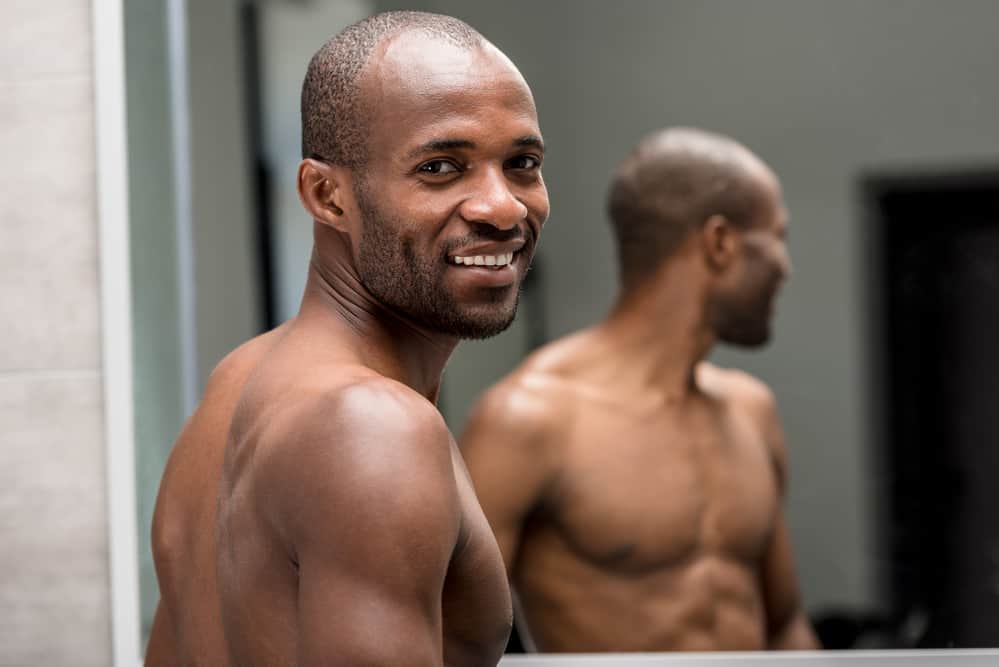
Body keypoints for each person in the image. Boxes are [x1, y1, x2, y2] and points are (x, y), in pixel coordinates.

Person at [145, 11, 549, 666]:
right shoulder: (373, 428)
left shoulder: (238, 384)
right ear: (326, 195)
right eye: (441, 167)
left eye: (522, 163)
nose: (502, 206)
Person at [459, 127, 820, 652]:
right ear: (719, 243)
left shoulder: (751, 411)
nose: (785, 269)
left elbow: (785, 625)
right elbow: (456, 645)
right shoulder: (530, 419)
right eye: (777, 239)